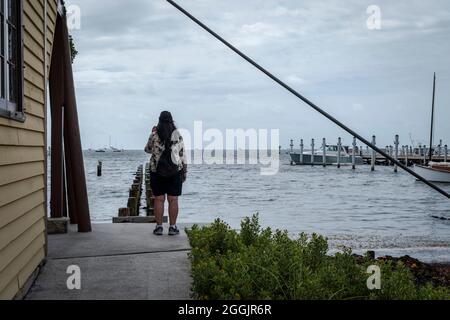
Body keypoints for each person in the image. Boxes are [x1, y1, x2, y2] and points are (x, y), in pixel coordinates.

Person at [145, 111, 187, 236]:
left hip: (157, 171)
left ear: (159, 121)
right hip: (175, 171)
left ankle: (159, 227)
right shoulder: (177, 135)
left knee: (159, 199)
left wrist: (152, 133)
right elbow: (182, 154)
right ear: (171, 121)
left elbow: (147, 149)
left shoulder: (155, 134)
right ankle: (173, 227)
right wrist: (184, 171)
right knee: (173, 200)